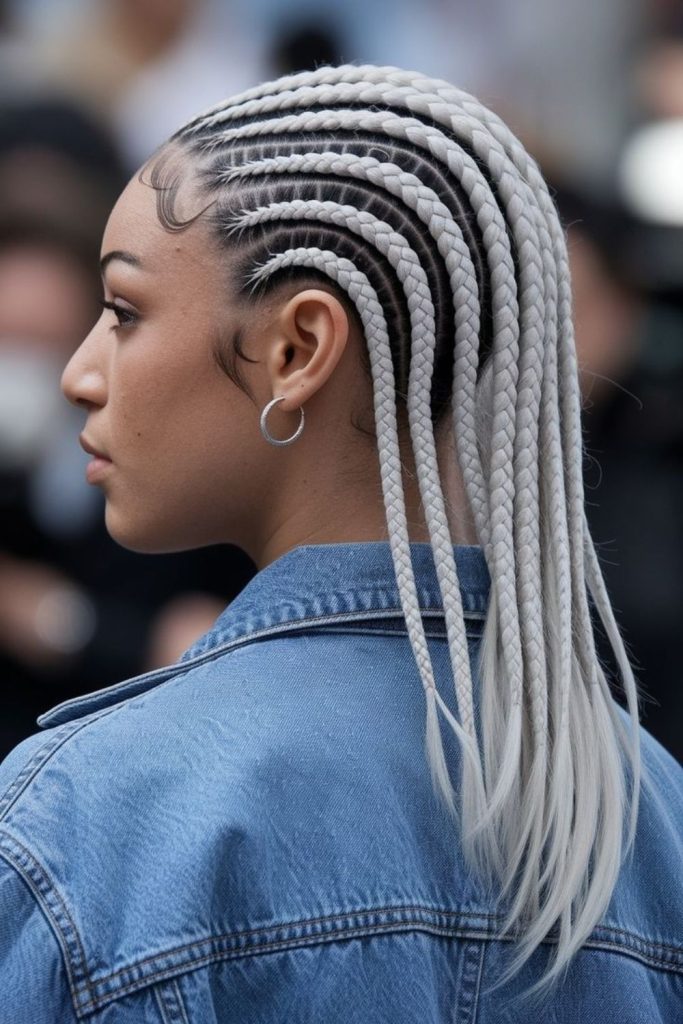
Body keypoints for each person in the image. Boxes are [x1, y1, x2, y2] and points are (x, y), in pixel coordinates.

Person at [0, 64, 680, 1022]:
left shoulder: (86, 824)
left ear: (297, 349)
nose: (79, 372)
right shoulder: (649, 820)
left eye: (123, 312)